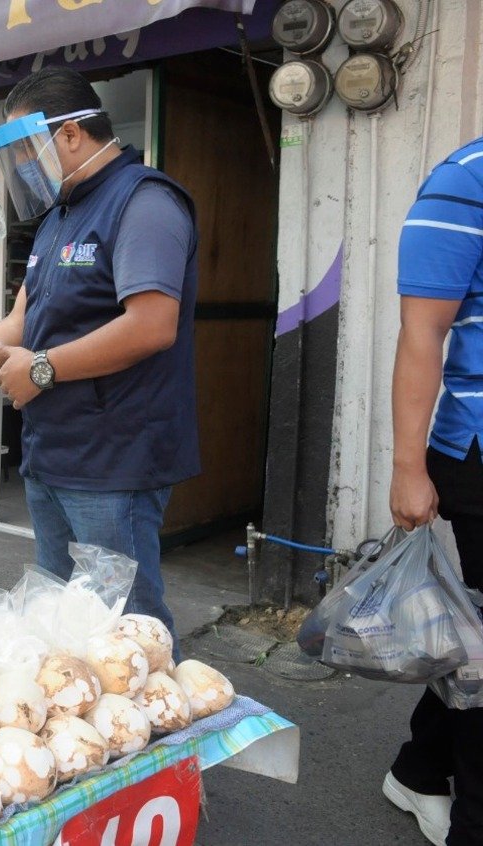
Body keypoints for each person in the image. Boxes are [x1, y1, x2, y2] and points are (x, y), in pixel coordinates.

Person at [0, 67, 199, 647]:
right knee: (61, 624)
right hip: (52, 454)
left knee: (129, 632)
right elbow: (18, 323)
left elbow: (152, 326)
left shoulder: (144, 202)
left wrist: (43, 369)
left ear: (71, 133)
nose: (25, 164)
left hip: (114, 461)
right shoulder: (60, 217)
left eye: (28, 148)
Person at [387, 134, 483, 846]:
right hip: (478, 450)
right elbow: (422, 332)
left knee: (477, 637)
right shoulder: (465, 182)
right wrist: (408, 467)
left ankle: (421, 767)